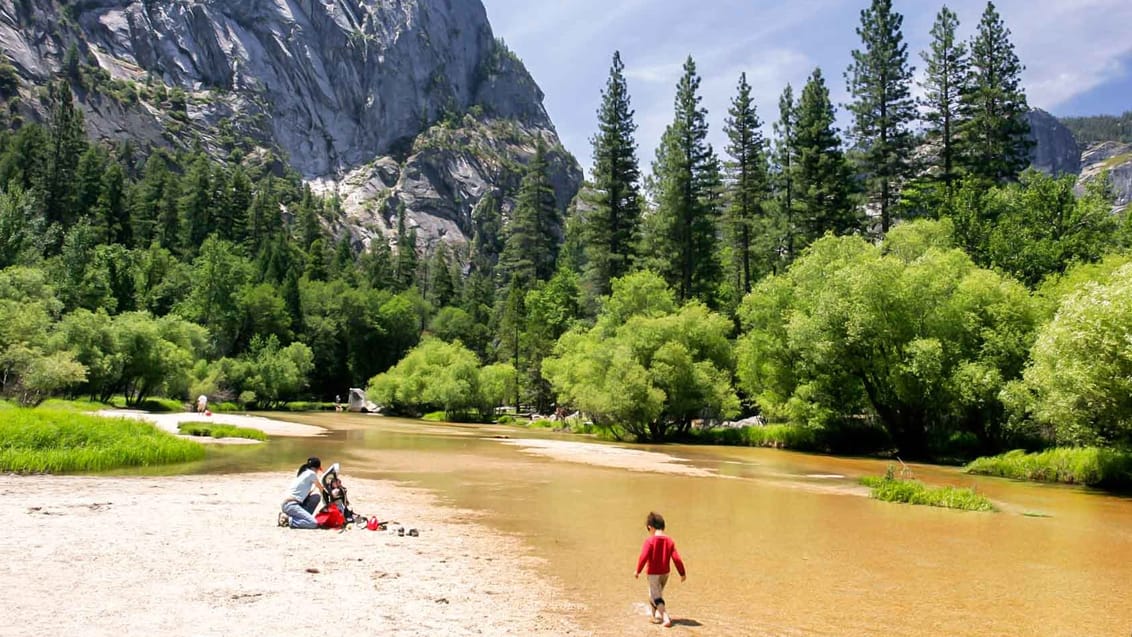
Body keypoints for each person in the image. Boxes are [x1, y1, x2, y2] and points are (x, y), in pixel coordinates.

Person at [634, 511, 686, 627]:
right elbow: (676, 558)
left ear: (650, 527)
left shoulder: (650, 541)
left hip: (653, 573)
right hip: (665, 573)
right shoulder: (670, 541)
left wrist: (638, 570)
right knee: (655, 594)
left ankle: (665, 618)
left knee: (656, 596)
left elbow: (643, 556)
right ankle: (656, 616)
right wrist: (682, 573)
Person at [279, 457, 328, 529]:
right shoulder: (312, 474)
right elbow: (320, 488)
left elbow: (310, 490)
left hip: (288, 503)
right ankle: (288, 520)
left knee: (316, 497)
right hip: (291, 505)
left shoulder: (304, 472)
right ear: (317, 468)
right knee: (313, 523)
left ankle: (300, 517)